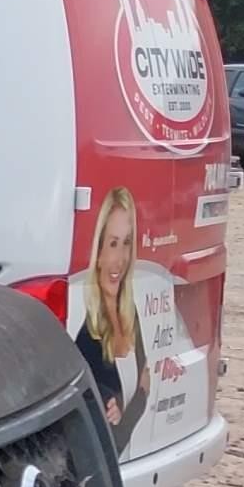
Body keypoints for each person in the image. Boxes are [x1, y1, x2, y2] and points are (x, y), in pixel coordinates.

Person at [70, 186, 146, 452]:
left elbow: (145, 380)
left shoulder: (130, 312)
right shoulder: (85, 328)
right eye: (112, 243)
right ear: (98, 252)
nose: (120, 259)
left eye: (126, 243)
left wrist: (124, 407)